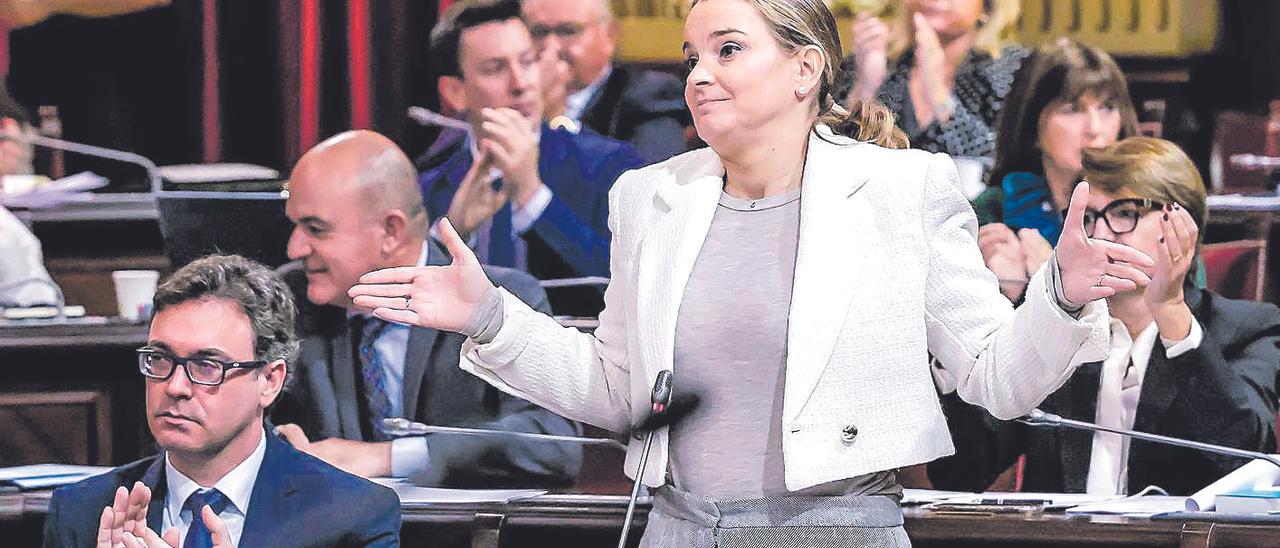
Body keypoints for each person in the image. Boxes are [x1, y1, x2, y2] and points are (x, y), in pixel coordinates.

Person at [351, 0, 1154, 542]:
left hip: (836, 530)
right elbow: (619, 391)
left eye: (728, 50)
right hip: (678, 527)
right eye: (692, 54)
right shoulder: (650, 199)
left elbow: (997, 380)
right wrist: (492, 318)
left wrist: (1060, 293)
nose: (698, 74)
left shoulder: (903, 191)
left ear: (806, 70)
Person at [930, 138, 1280, 496]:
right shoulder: (1059, 329)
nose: (1098, 235)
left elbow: (1248, 461)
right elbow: (963, 473)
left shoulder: (1249, 330)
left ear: (1182, 224)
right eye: (1087, 218)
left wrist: (1173, 314)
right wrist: (959, 343)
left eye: (1124, 213)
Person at [272, 130, 581, 488]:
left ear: (391, 230)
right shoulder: (285, 299)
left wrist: (386, 458)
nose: (294, 248)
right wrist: (275, 442)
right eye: (294, 225)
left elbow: (554, 441)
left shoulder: (500, 298)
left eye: (315, 228)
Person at [42, 254, 400, 548]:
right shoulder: (83, 514)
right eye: (160, 359)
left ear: (269, 381)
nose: (175, 386)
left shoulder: (351, 517)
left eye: (207, 365)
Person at [417, 0, 645, 316]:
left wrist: (533, 198)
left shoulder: (610, 166)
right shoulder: (427, 188)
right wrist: (450, 232)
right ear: (455, 92)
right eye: (495, 69)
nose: (521, 84)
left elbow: (631, 293)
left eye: (527, 62)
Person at [973, 38, 1140, 301]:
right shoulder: (991, 211)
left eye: (1107, 107)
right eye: (1073, 110)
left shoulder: (1149, 204)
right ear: (1032, 126)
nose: (1095, 128)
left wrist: (1041, 283)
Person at [834, 0, 1027, 160]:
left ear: (987, 6)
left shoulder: (1010, 68)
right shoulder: (879, 59)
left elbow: (998, 161)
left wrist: (937, 90)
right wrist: (867, 86)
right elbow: (835, 148)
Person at [523, 0, 691, 163]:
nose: (551, 47)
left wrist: (556, 119)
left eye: (567, 31)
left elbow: (651, 180)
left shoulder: (650, 95)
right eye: (539, 32)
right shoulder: (509, 94)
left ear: (610, 34)